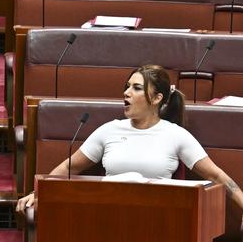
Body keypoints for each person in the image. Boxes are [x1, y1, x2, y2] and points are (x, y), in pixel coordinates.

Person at [16, 64, 243, 213]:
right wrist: (38, 193)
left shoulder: (176, 135)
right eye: (127, 87)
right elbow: (69, 167)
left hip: (159, 219)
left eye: (136, 88)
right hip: (108, 214)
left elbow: (215, 176)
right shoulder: (109, 130)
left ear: (157, 98)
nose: (126, 93)